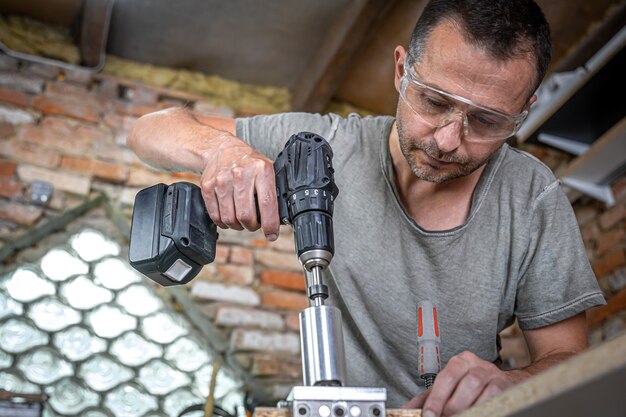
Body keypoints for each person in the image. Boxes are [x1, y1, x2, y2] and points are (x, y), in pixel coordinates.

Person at [128, 0, 605, 415]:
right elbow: (151, 129)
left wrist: (512, 382)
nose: (448, 139)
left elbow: (568, 359)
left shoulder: (531, 195)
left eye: (486, 120)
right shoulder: (326, 146)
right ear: (401, 70)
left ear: (523, 111)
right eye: (435, 102)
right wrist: (220, 152)